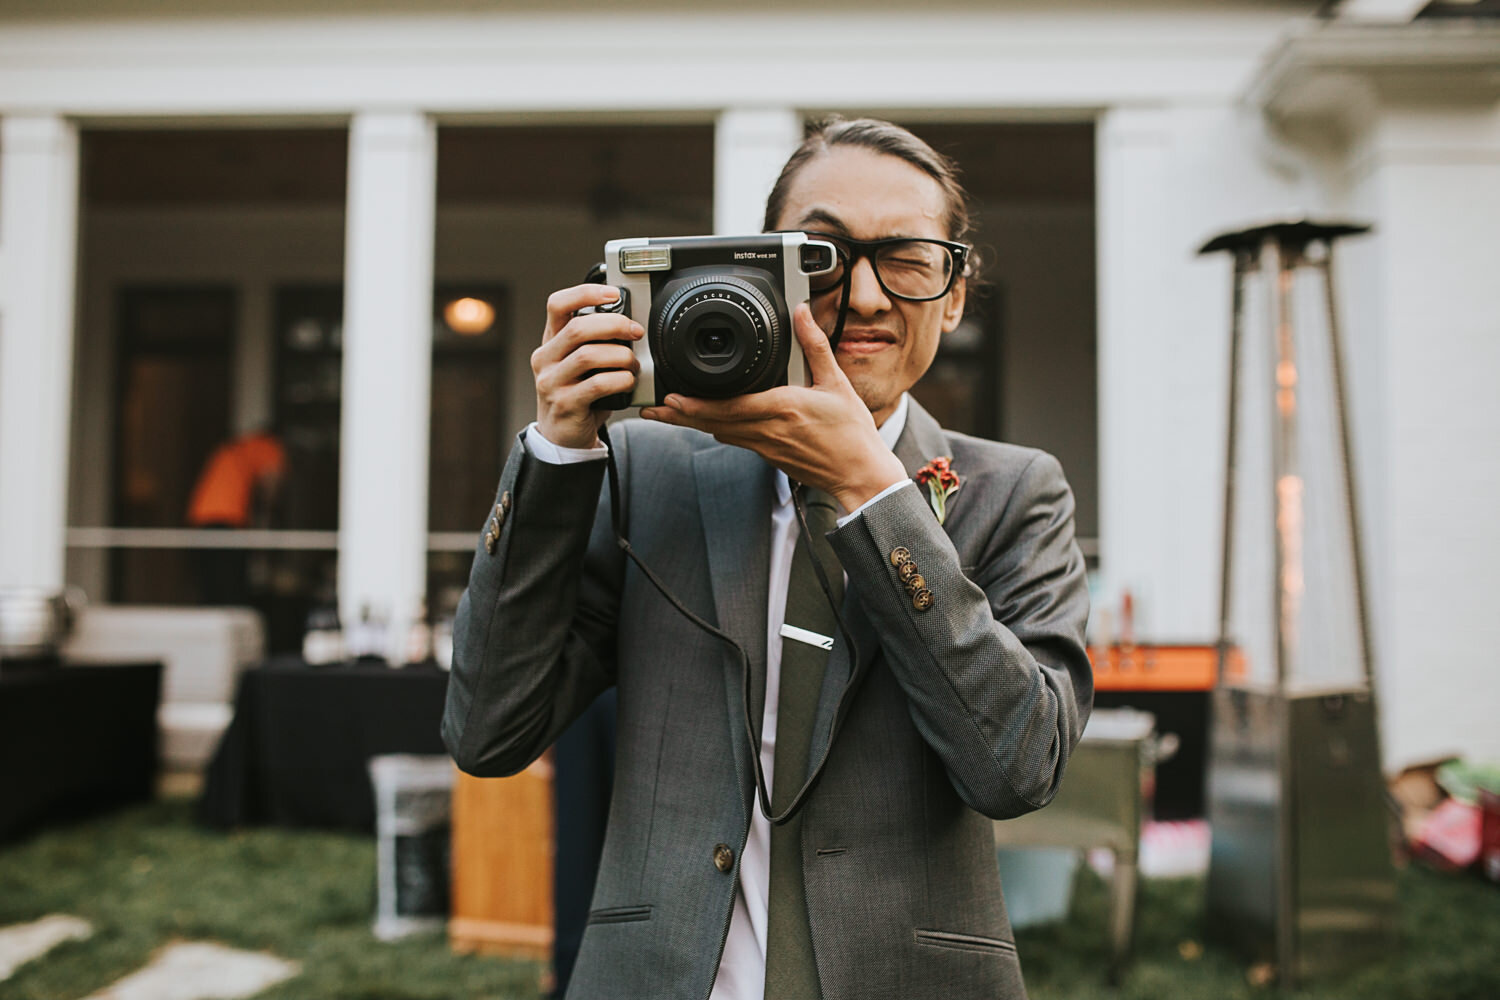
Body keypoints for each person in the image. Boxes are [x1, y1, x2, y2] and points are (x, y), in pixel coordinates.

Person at [442, 117, 1092, 1000]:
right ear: (763, 270)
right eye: (822, 256)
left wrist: (875, 493)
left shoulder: (1017, 493)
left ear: (955, 294)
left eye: (907, 258)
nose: (863, 298)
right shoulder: (644, 472)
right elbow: (487, 732)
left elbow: (1018, 768)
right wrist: (556, 453)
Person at [186, 426, 285, 605]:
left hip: (201, 516)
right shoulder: (269, 447)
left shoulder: (236, 448)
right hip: (227, 518)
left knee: (211, 582)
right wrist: (272, 515)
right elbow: (272, 483)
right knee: (230, 583)